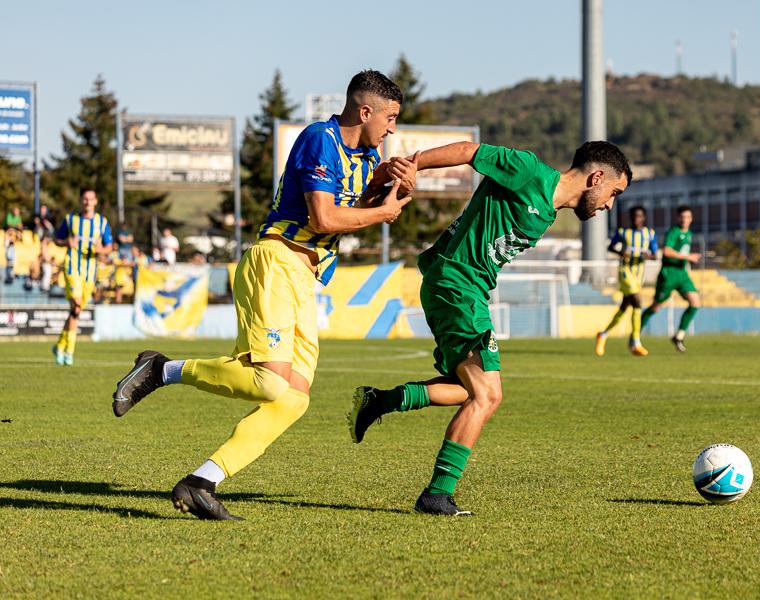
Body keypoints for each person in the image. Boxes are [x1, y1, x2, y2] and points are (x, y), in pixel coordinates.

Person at [110, 70, 416, 520]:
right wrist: (384, 212)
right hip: (275, 261)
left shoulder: (367, 159)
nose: (392, 128)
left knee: (293, 398)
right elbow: (326, 218)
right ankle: (161, 370)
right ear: (364, 111)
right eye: (389, 118)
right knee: (270, 382)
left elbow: (356, 208)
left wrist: (392, 188)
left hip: (305, 280)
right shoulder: (320, 139)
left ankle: (202, 481)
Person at [348, 140, 631, 516]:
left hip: (463, 288)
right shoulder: (529, 171)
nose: (610, 204)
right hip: (457, 284)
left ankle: (379, 401)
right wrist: (416, 165)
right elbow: (469, 151)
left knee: (468, 391)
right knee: (488, 396)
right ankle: (436, 494)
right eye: (614, 193)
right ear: (597, 177)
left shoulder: (548, 209)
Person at [52, 188, 113, 365]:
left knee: (76, 311)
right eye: (85, 199)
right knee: (77, 306)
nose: (87, 202)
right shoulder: (71, 219)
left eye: (90, 199)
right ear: (81, 201)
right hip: (72, 268)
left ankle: (59, 345)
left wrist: (101, 249)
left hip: (90, 271)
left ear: (95, 201)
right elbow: (56, 239)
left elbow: (109, 246)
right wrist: (66, 242)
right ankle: (69, 352)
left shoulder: (102, 222)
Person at [595, 205, 657, 357]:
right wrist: (621, 252)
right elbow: (610, 247)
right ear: (631, 218)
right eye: (634, 216)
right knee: (637, 301)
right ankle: (635, 341)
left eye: (640, 216)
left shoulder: (650, 234)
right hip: (625, 272)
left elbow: (655, 255)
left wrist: (646, 256)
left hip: (638, 275)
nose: (637, 219)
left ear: (644, 218)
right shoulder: (623, 232)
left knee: (624, 308)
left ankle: (603, 334)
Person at [640, 205, 701, 352]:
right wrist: (688, 257)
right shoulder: (673, 232)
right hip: (668, 274)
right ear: (678, 218)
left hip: (682, 274)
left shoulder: (689, 234)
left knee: (695, 302)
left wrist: (688, 259)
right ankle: (635, 334)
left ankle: (679, 336)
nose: (685, 220)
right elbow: (666, 251)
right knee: (656, 306)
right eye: (683, 217)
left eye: (688, 217)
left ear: (691, 219)